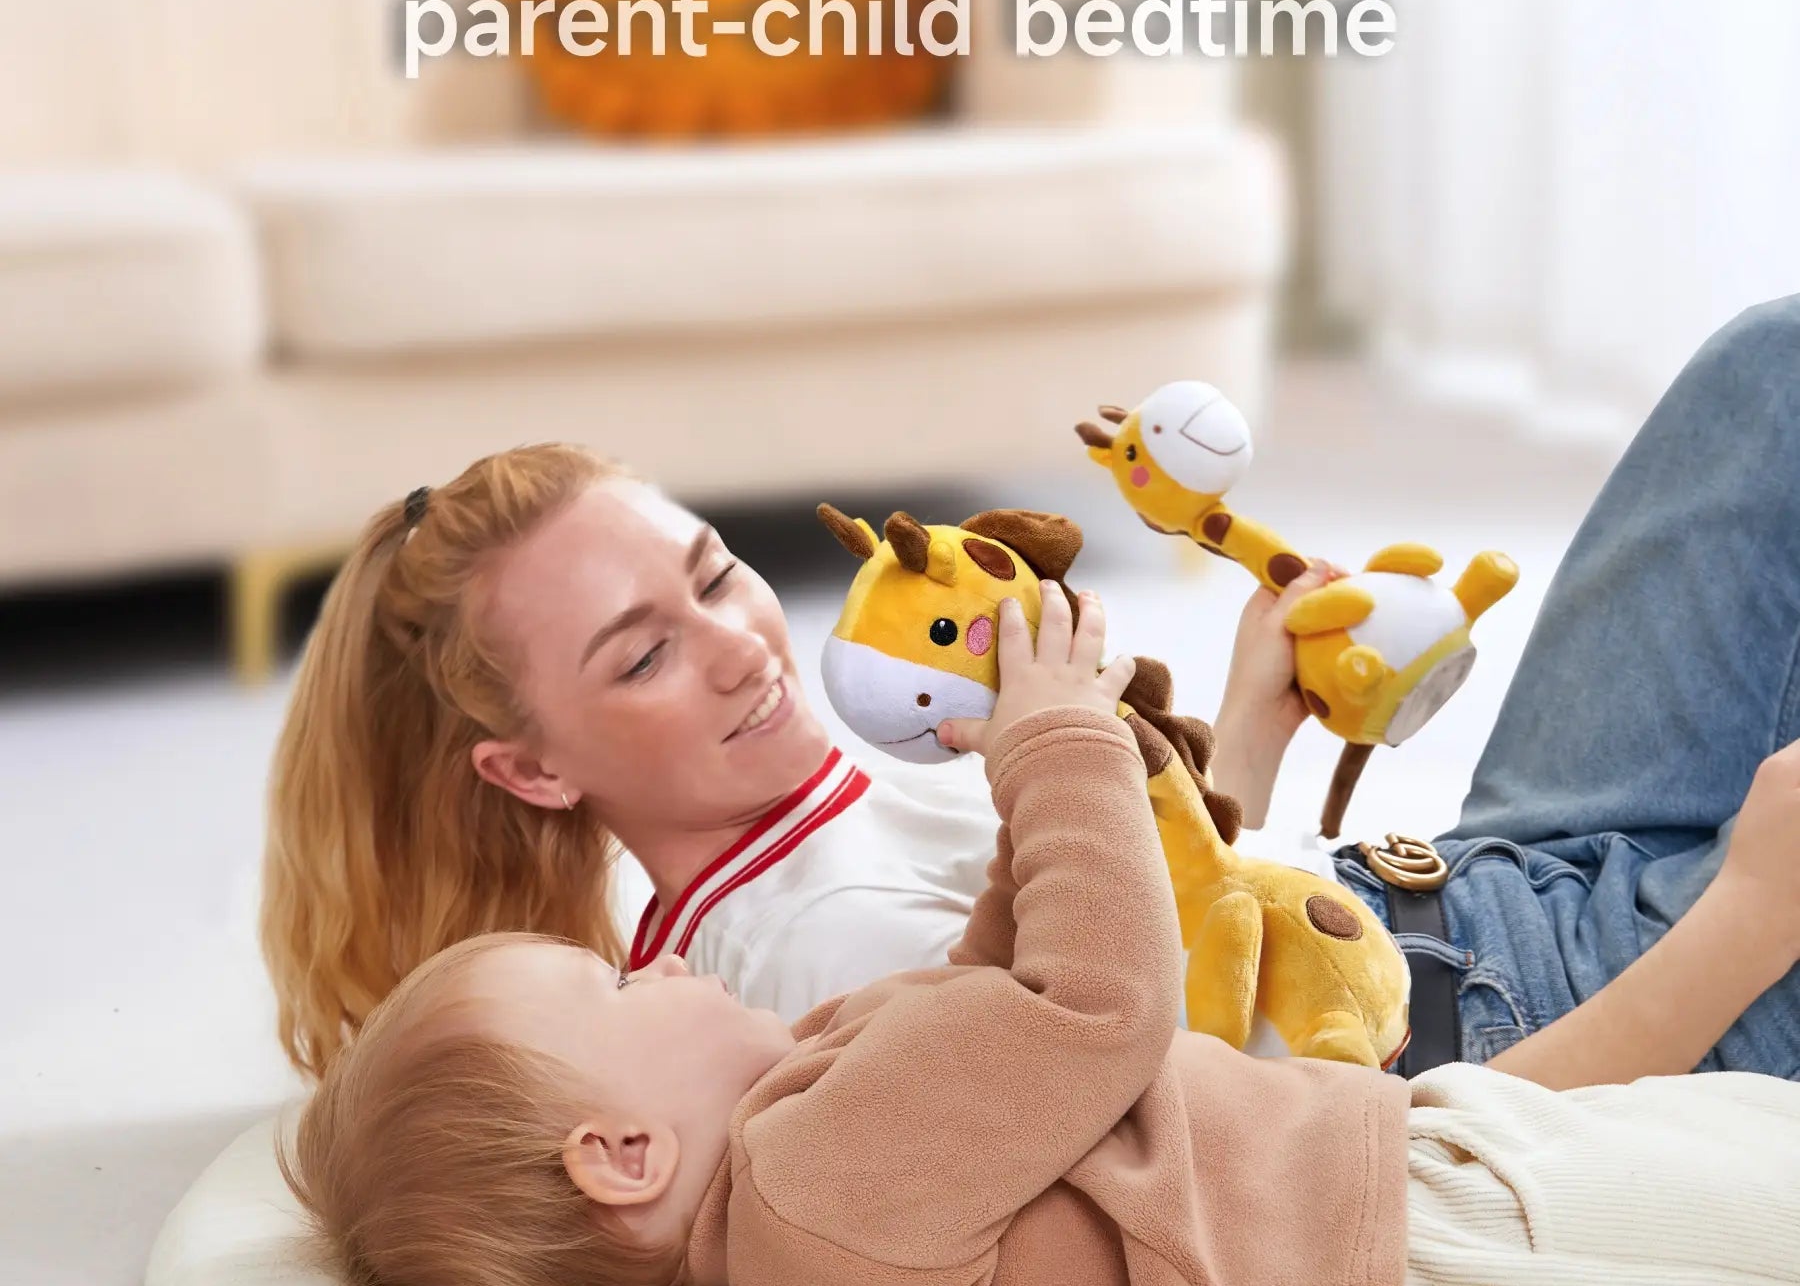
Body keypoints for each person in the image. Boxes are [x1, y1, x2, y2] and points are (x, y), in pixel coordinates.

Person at [279, 588, 1800, 1286]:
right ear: (624, 1155)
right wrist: (1054, 747)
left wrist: (1052, 804)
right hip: (1445, 1266)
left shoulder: (817, 1142)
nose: (658, 965)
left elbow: (1002, 1003)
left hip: (1408, 1196)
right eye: (618, 995)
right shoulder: (807, 1182)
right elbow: (1102, 1015)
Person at [262, 296, 1800, 1086]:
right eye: (643, 654)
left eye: (715, 574)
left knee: (1769, 368)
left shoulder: (801, 828)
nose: (738, 645)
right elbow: (1244, 1130)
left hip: (1454, 883)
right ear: (532, 770)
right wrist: (1743, 924)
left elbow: (1170, 927)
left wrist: (1249, 717)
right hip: (1527, 1016)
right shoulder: (816, 956)